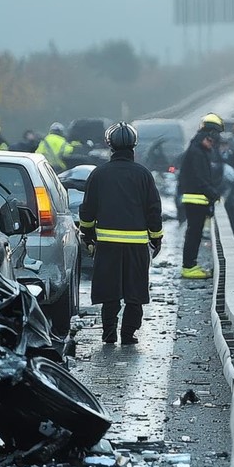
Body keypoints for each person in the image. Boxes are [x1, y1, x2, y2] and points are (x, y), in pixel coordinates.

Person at [78, 122, 163, 345]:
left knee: (110, 291)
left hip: (106, 245)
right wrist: (156, 237)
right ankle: (128, 334)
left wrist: (86, 234)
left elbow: (87, 210)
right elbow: (154, 210)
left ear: (111, 148)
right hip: (137, 245)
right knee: (134, 292)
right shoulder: (143, 175)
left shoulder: (99, 174)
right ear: (133, 147)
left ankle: (108, 333)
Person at [177, 114, 225, 279]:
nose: (213, 144)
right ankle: (188, 266)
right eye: (213, 139)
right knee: (194, 234)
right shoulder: (197, 152)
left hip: (198, 199)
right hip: (195, 199)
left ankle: (190, 264)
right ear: (209, 135)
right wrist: (213, 194)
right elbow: (199, 178)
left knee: (195, 233)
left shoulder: (197, 148)